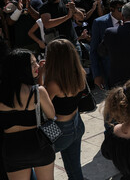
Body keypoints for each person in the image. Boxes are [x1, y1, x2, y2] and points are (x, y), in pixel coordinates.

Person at [0, 49, 55, 180]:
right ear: (20, 68)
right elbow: (52, 115)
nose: (37, 66)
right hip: (39, 145)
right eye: (32, 63)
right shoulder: (38, 91)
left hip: (12, 149)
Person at [40, 39, 87, 180]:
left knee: (39, 160)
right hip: (77, 124)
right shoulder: (80, 73)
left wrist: (40, 76)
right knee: (74, 168)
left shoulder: (53, 83)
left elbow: (41, 102)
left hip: (59, 129)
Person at [89, 0, 126, 89]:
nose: (124, 12)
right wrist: (97, 74)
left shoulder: (129, 20)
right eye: (120, 9)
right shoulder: (99, 23)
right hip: (109, 70)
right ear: (112, 9)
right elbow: (94, 50)